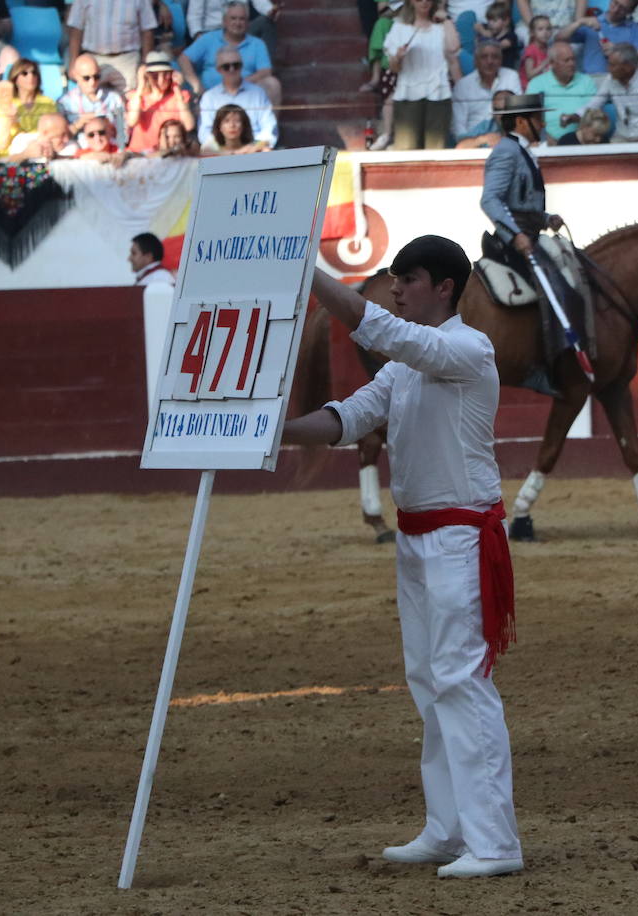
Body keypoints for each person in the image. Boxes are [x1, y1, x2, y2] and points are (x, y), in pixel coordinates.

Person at [282, 238, 523, 880]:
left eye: (407, 279)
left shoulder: (467, 348)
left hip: (460, 540)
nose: (395, 288)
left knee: (461, 682)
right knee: (430, 681)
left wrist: (308, 270)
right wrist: (272, 426)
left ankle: (495, 842)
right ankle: (448, 829)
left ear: (444, 287)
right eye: (395, 279)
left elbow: (380, 329)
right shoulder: (406, 367)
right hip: (420, 540)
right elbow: (348, 419)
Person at [480, 92, 569, 394]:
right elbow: (490, 199)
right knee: (551, 286)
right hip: (515, 242)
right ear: (521, 121)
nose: (543, 123)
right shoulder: (507, 151)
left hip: (530, 234)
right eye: (538, 118)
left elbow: (521, 202)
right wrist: (515, 234)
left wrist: (545, 219)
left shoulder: (520, 149)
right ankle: (539, 366)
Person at [384, 0, 460, 150]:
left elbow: (453, 47)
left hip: (438, 93)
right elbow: (394, 68)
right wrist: (398, 56)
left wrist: (446, 19)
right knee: (406, 150)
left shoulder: (440, 28)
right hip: (408, 94)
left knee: (436, 151)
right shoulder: (399, 28)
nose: (424, 2)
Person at [179, 0, 281, 105]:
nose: (237, 23)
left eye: (242, 19)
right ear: (224, 21)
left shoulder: (257, 44)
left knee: (272, 83)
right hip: (212, 96)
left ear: (247, 22)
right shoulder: (208, 40)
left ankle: (269, 121)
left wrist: (240, 83)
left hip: (246, 93)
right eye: (233, 19)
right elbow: (184, 58)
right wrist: (196, 84)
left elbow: (265, 71)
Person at [575, 42, 638, 141]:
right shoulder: (610, 80)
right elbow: (595, 103)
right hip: (622, 136)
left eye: (612, 65)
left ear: (628, 67)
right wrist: (576, 115)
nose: (608, 69)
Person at [67, 0, 157, 94]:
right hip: (94, 60)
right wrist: (73, 62)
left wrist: (145, 63)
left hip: (127, 60)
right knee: (92, 101)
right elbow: (76, 28)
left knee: (131, 101)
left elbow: (148, 30)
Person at [197, 46, 275, 148]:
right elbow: (204, 133)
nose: (232, 69)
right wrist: (225, 150)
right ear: (219, 70)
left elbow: (269, 127)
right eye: (226, 66)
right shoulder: (209, 97)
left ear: (242, 66)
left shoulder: (258, 93)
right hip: (221, 153)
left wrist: (254, 147)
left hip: (254, 150)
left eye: (236, 65)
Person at [555, 0, 638, 78]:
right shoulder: (592, 22)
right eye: (615, 3)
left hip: (619, 81)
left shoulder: (635, 29)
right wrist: (579, 22)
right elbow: (559, 38)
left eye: (622, 8)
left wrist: (618, 50)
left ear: (629, 11)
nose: (615, 10)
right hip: (592, 80)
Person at [526, 38, 597, 140]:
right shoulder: (536, 84)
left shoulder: (586, 81)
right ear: (552, 63)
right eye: (566, 60)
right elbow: (530, 119)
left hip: (582, 141)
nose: (571, 64)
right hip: (547, 142)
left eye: (573, 59)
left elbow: (593, 115)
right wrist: (546, 139)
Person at [453, 39, 521, 142]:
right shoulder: (463, 85)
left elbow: (519, 113)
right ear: (475, 61)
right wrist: (474, 142)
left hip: (507, 138)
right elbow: (458, 126)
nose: (490, 61)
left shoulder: (511, 77)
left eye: (495, 57)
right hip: (474, 141)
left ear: (501, 60)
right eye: (484, 57)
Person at [128, 49, 197, 150]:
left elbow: (189, 125)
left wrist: (177, 89)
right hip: (141, 153)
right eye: (155, 76)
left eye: (166, 74)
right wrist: (140, 86)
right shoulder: (137, 97)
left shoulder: (179, 96)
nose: (161, 80)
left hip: (169, 152)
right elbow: (132, 121)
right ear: (147, 76)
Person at [59, 52, 129, 147]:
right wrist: (79, 123)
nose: (92, 82)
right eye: (86, 78)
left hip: (110, 149)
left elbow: (123, 133)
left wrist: (108, 127)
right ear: (76, 76)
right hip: (80, 152)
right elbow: (60, 139)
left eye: (96, 77)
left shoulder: (114, 98)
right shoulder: (66, 102)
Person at [0, 58, 59, 157]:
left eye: (34, 73)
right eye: (24, 73)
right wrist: (10, 119)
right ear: (15, 78)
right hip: (10, 155)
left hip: (41, 151)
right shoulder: (7, 103)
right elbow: (0, 143)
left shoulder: (48, 103)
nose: (31, 76)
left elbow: (55, 133)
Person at [6, 110, 80, 158]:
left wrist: (55, 157)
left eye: (67, 133)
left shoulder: (71, 146)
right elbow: (7, 165)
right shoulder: (22, 140)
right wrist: (25, 154)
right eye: (61, 135)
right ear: (45, 133)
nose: (66, 139)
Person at [203, 99, 270, 150]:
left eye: (237, 121)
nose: (232, 125)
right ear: (219, 126)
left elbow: (266, 146)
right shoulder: (210, 147)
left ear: (244, 125)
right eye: (227, 121)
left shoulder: (255, 146)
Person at [474, 1, 520, 69]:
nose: (490, 23)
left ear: (506, 21)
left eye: (494, 20)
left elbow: (499, 46)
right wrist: (484, 32)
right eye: (489, 20)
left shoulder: (511, 36)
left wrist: (489, 38)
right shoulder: (490, 28)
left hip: (504, 69)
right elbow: (476, 25)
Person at [519, 13, 552, 85]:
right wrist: (545, 62)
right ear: (532, 33)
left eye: (548, 29)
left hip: (543, 85)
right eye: (540, 29)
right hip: (530, 89)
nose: (545, 32)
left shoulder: (549, 49)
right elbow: (529, 75)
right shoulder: (530, 50)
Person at [515, 0, 586, 33]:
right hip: (534, 26)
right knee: (523, 33)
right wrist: (533, 28)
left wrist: (577, 24)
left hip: (565, 27)